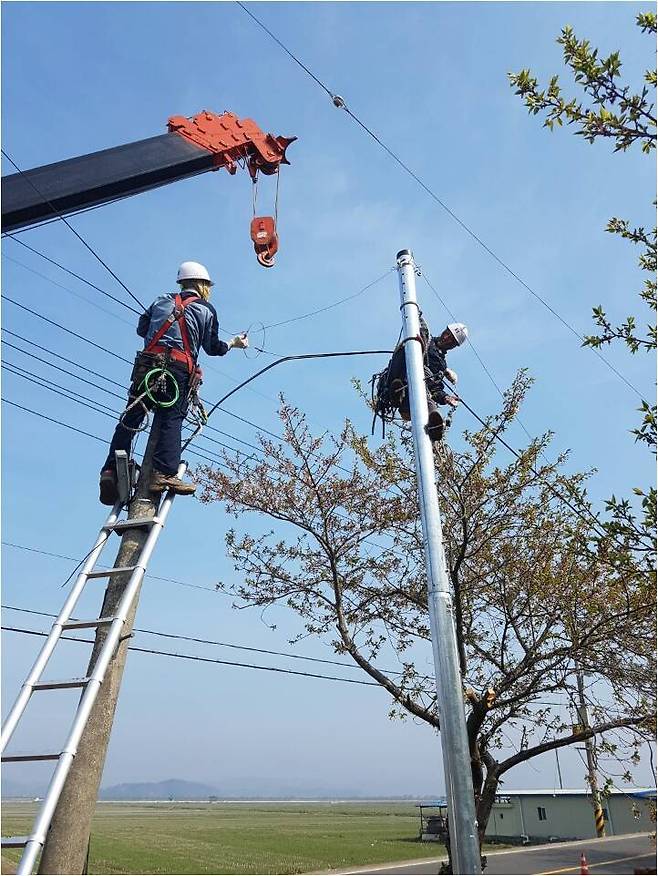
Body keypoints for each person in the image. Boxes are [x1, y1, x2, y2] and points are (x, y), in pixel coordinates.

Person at [99, 261, 248, 505]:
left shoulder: (161, 300)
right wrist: (233, 343)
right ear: (202, 285)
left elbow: (141, 328)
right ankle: (163, 474)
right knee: (171, 418)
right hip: (177, 370)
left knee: (131, 418)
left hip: (147, 365)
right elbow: (213, 348)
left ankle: (110, 471)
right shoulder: (206, 310)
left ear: (182, 283)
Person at [390, 320, 468, 442]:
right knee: (410, 357)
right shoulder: (427, 339)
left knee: (426, 387)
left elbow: (435, 388)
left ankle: (435, 426)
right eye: (447, 333)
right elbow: (417, 320)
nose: (446, 338)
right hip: (397, 380)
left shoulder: (440, 364)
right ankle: (397, 393)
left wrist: (446, 398)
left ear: (453, 346)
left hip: (415, 395)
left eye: (451, 340)